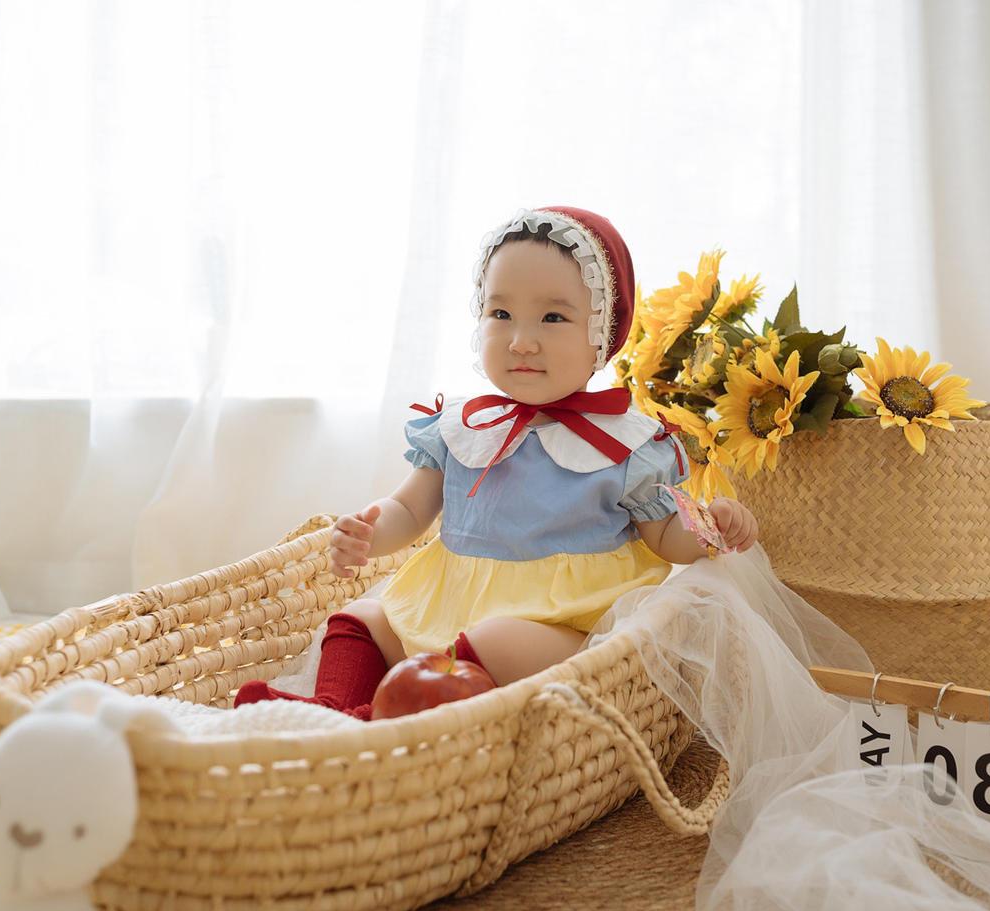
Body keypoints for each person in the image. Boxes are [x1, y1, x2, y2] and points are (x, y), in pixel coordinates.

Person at [234, 206, 759, 718]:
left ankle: (390, 720)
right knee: (360, 617)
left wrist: (711, 527)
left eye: (553, 317)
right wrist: (370, 532)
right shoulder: (463, 426)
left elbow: (664, 537)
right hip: (447, 609)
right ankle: (333, 712)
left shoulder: (624, 441)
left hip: (562, 628)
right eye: (500, 314)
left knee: (494, 640)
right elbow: (410, 510)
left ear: (601, 333)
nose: (521, 341)